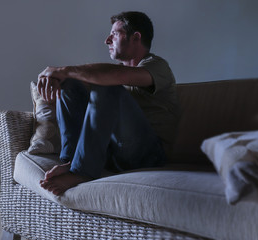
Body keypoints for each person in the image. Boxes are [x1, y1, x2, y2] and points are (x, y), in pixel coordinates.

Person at [37, 11, 179, 196]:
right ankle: (71, 162)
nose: (107, 40)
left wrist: (62, 70)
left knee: (108, 86)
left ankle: (82, 172)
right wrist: (58, 79)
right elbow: (83, 84)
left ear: (135, 38)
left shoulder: (157, 66)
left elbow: (114, 77)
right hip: (112, 151)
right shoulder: (114, 72)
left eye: (115, 34)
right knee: (71, 84)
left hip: (148, 155)